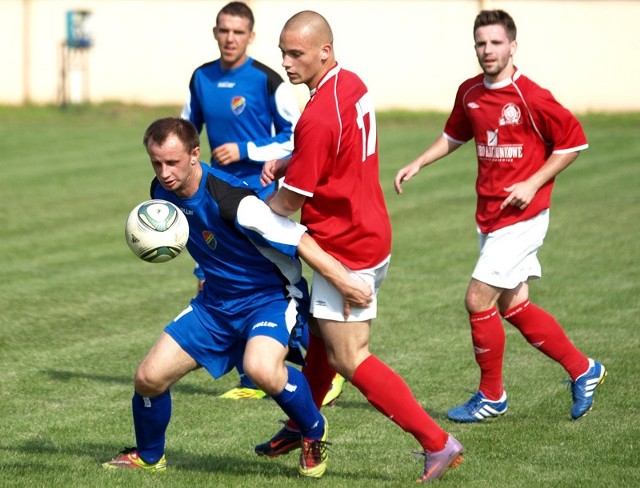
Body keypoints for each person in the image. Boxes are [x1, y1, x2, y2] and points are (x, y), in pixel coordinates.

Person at [257, 11, 463, 483]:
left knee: (350, 356)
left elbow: (287, 203)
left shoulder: (317, 116)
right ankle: (298, 424)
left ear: (323, 51)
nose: (287, 63)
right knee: (323, 349)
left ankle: (437, 442)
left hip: (343, 248)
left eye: (297, 54)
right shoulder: (350, 83)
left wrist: (251, 212)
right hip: (371, 232)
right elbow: (338, 143)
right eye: (283, 53)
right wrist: (293, 157)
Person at [102, 117, 371, 478]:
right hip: (215, 305)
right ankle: (150, 457)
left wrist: (346, 282)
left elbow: (297, 238)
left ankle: (313, 430)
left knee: (261, 369)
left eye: (172, 162)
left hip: (269, 298)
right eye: (156, 163)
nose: (164, 172)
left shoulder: (233, 200)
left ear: (195, 154)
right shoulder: (161, 193)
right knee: (148, 378)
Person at [394, 9, 606, 423]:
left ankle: (492, 396)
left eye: (495, 43)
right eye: (481, 43)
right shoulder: (470, 91)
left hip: (524, 217)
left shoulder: (531, 95)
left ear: (512, 45)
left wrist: (533, 182)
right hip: (488, 214)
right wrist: (419, 162)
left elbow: (573, 141)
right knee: (514, 304)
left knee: (477, 299)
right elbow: (455, 133)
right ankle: (585, 370)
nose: (487, 50)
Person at [180, 1, 345, 402]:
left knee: (272, 283)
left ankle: (324, 363)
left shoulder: (267, 80)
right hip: (214, 203)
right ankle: (252, 377)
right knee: (217, 281)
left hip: (258, 200)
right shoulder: (201, 78)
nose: (230, 38)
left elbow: (295, 138)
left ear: (250, 37)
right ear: (215, 32)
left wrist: (246, 149)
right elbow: (185, 133)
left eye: (238, 32)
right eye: (223, 30)